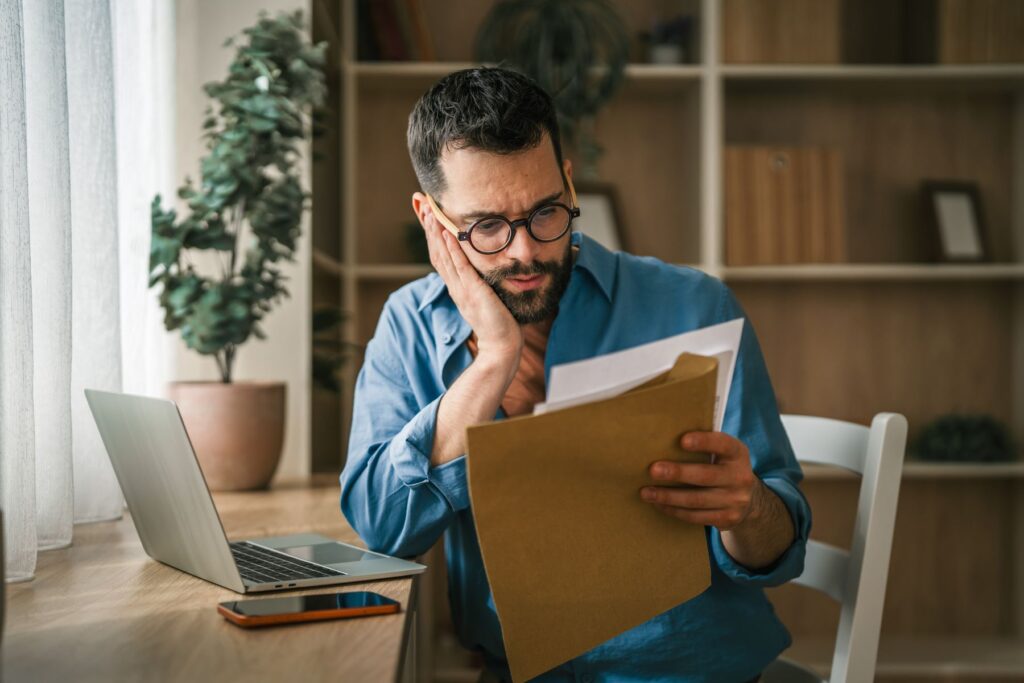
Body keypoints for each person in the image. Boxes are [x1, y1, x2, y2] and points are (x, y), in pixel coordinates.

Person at [340, 66, 811, 683]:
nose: (526, 251)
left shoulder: (694, 307)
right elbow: (381, 529)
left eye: (545, 212)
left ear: (567, 180)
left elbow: (781, 548)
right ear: (432, 220)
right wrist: (492, 363)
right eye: (486, 227)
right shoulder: (410, 324)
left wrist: (747, 509)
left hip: (694, 670)